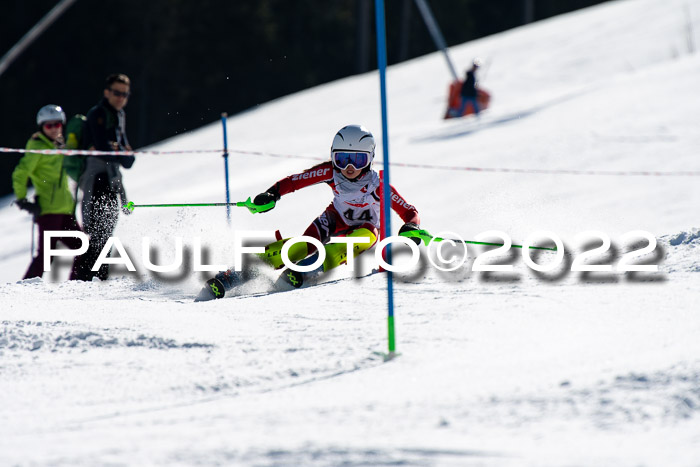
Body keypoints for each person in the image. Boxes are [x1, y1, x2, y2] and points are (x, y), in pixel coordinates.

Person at [196, 125, 422, 301]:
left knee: (356, 239)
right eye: (342, 159)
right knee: (300, 245)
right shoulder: (331, 172)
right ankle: (231, 277)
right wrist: (272, 194)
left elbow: (409, 211)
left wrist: (411, 227)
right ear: (334, 157)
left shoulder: (378, 184)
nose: (349, 167)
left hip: (365, 230)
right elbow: (294, 182)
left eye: (358, 159)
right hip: (333, 220)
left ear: (370, 158)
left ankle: (306, 270)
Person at [12, 105, 91, 280]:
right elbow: (20, 172)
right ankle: (24, 290)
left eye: (57, 125)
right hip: (48, 210)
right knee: (46, 256)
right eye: (49, 126)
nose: (54, 129)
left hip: (65, 209)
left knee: (82, 247)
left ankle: (76, 285)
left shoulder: (58, 146)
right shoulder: (37, 146)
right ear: (42, 127)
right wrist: (22, 199)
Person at [80, 73, 136, 280]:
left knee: (107, 231)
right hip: (97, 178)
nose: (120, 97)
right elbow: (105, 149)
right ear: (107, 92)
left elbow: (129, 160)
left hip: (113, 180)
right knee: (97, 232)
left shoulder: (120, 116)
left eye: (125, 94)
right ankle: (86, 280)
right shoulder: (98, 114)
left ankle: (99, 278)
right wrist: (120, 150)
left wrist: (118, 149)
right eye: (116, 92)